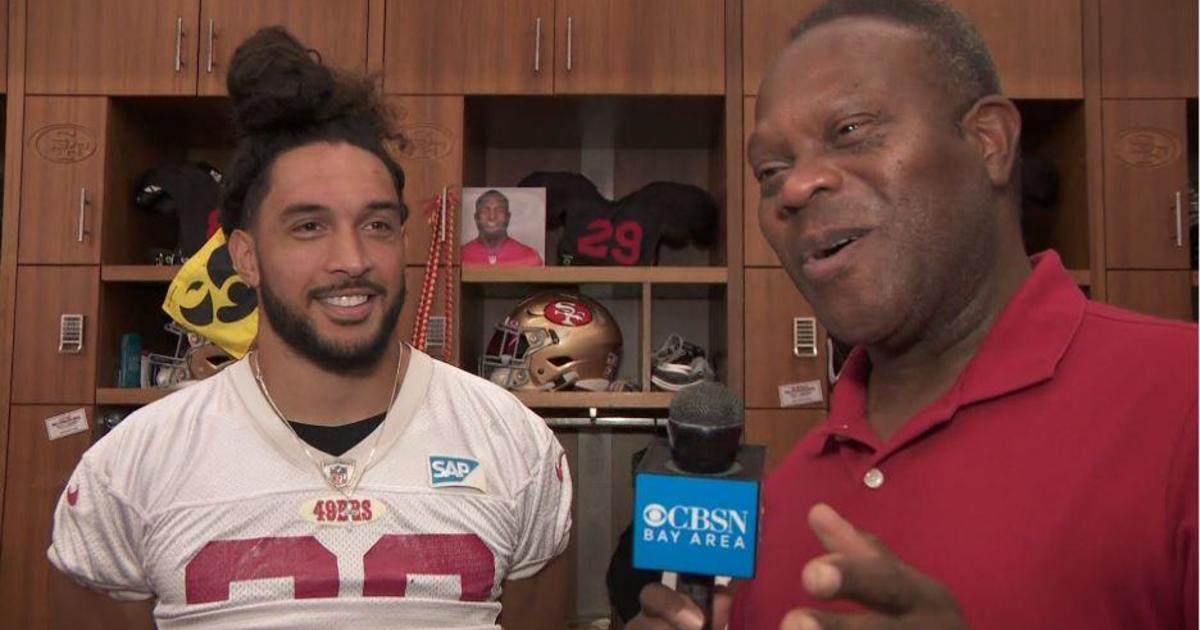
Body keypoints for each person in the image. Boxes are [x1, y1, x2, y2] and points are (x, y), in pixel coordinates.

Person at [632, 1, 1197, 629]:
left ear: (988, 142)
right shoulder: (784, 497)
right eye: (771, 170)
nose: (793, 189)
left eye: (849, 130)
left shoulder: (1183, 395)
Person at [47, 28, 571, 629]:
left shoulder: (515, 445)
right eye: (308, 227)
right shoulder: (131, 466)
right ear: (245, 255)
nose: (351, 258)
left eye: (376, 225)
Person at [460, 189, 545, 267]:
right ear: (476, 217)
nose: (492, 217)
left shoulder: (530, 257)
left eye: (499, 210)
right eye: (485, 211)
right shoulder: (459, 256)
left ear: (508, 217)